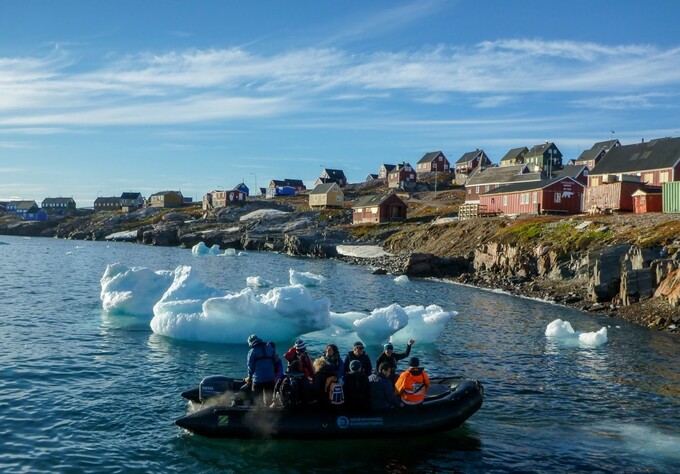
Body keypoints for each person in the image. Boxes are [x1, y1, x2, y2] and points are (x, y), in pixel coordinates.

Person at [246, 334, 280, 406]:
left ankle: (259, 414)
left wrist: (249, 377)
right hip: (270, 379)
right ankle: (270, 414)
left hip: (258, 380)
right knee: (269, 400)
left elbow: (250, 366)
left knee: (257, 401)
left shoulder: (252, 351)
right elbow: (276, 362)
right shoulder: (270, 349)